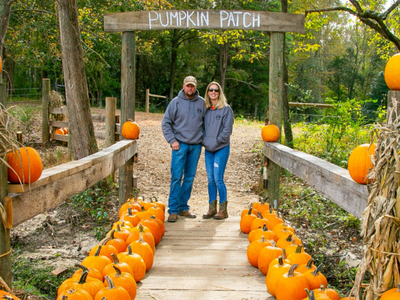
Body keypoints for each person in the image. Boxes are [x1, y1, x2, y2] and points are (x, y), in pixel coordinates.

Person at [162, 75, 206, 222]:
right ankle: (173, 210)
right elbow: (166, 123)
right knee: (176, 177)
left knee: (189, 178)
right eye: (188, 85)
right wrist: (172, 140)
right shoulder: (175, 103)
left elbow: (207, 123)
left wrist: (204, 139)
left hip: (196, 146)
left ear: (195, 87)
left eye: (192, 86)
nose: (190, 88)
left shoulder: (202, 103)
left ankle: (183, 207)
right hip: (179, 145)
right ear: (183, 86)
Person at [202, 81, 234, 220]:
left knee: (218, 179)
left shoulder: (226, 109)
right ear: (208, 92)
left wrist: (216, 142)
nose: (213, 92)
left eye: (216, 90)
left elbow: (227, 131)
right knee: (210, 179)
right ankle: (212, 208)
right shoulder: (206, 109)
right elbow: (200, 127)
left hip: (221, 148)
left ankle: (223, 210)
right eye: (210, 90)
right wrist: (205, 142)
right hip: (208, 149)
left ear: (219, 92)